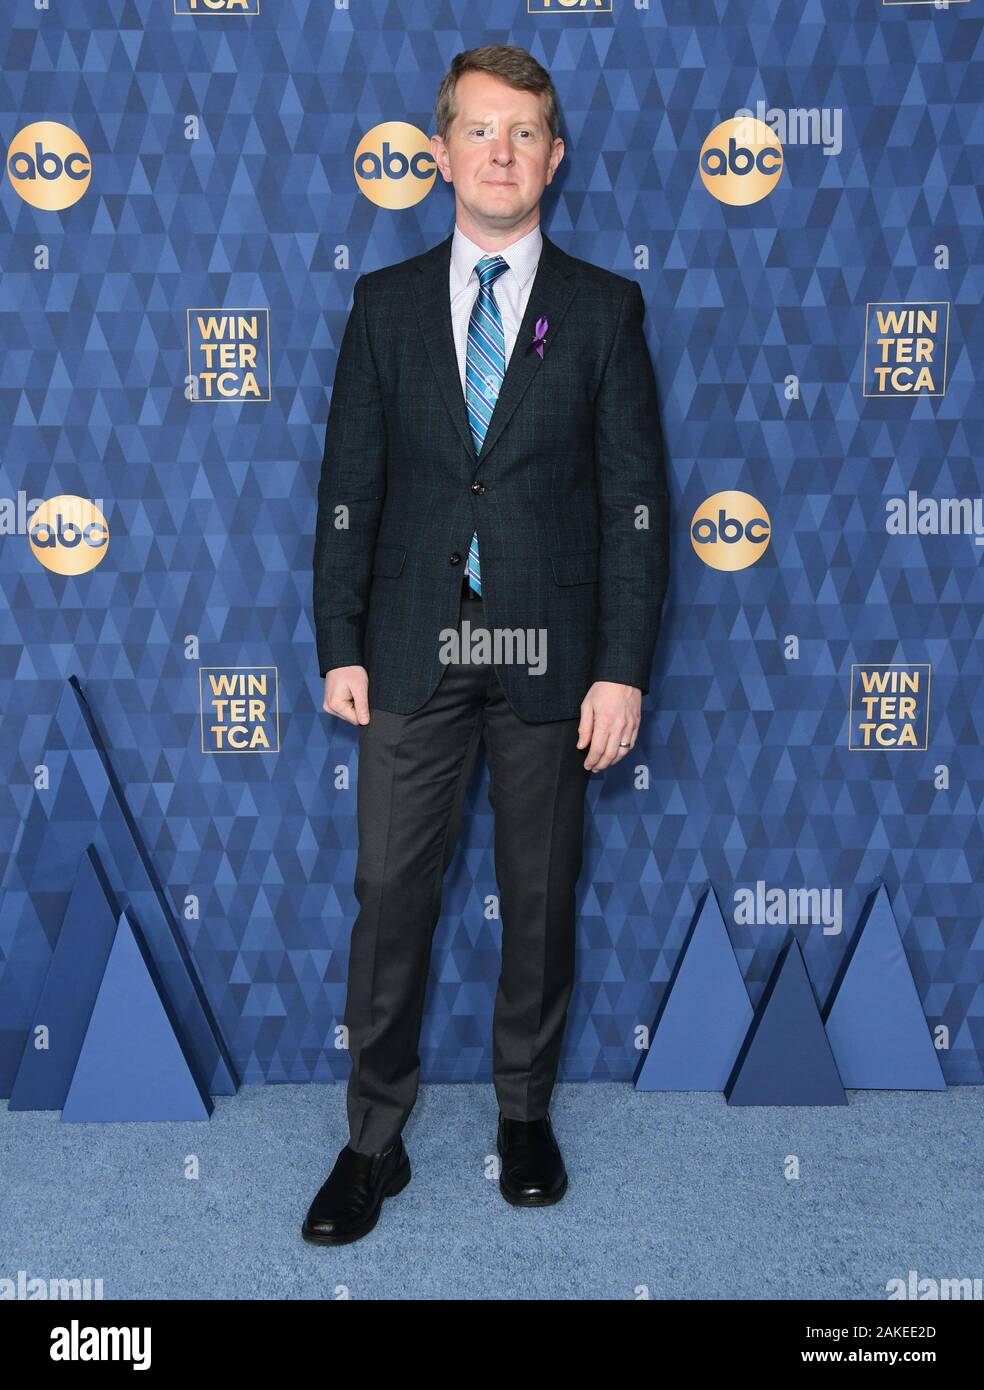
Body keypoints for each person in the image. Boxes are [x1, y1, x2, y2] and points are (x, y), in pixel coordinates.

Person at [305, 43, 669, 1245]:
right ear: (442, 149)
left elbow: (632, 503)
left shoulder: (605, 307)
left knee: (539, 894)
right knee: (389, 894)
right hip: (412, 640)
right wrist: (338, 640)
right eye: (478, 130)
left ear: (552, 159)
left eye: (524, 134)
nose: (500, 153)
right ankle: (373, 1139)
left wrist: (620, 665)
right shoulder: (385, 305)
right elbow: (348, 486)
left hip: (550, 651)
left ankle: (523, 1114)